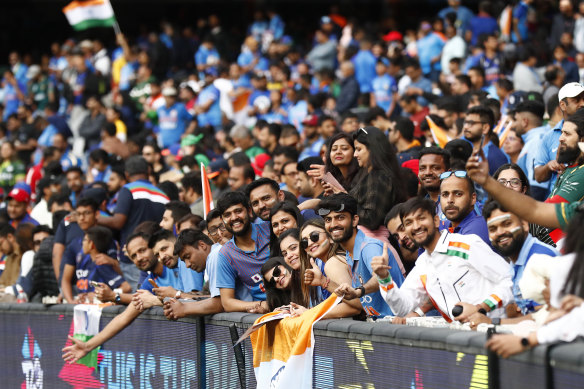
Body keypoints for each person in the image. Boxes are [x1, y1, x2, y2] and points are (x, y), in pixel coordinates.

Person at [372, 197, 513, 322]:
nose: (416, 226)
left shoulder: (467, 245)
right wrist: (384, 278)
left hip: (497, 332)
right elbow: (402, 308)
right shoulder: (422, 265)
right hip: (465, 342)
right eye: (408, 223)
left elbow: (509, 280)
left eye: (421, 218)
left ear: (436, 220)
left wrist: (481, 308)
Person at [319, 193, 405, 318]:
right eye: (328, 219)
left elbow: (380, 277)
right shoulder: (350, 254)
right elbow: (358, 303)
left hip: (401, 325)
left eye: (340, 217)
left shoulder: (369, 247)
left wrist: (360, 291)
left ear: (354, 220)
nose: (333, 224)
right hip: (384, 326)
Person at [97, 156, 170, 290]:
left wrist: (95, 218)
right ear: (148, 171)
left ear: (126, 174)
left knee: (138, 300)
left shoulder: (128, 189)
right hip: (157, 257)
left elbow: (118, 222)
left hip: (134, 258)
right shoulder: (163, 195)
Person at [483, 200, 558, 316]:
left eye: (507, 224)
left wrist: (490, 322)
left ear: (524, 224)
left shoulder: (541, 258)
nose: (500, 232)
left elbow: (545, 318)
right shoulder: (517, 258)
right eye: (493, 229)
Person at [60, 198, 127, 304]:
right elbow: (65, 279)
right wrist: (71, 302)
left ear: (96, 214)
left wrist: (113, 299)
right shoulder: (73, 245)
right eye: (78, 214)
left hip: (103, 308)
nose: (82, 218)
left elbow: (125, 286)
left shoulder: (106, 246)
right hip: (85, 305)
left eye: (86, 213)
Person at [215, 191, 270, 312]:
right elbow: (227, 302)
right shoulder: (226, 254)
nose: (234, 218)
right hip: (267, 315)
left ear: (249, 211)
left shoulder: (269, 229)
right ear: (222, 220)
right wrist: (261, 305)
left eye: (238, 211)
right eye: (227, 214)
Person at [350, 126, 405, 236]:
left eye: (359, 149)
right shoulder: (369, 174)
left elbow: (371, 219)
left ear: (373, 149)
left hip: (377, 243)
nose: (355, 154)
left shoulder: (379, 177)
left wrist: (345, 201)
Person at [163, 229, 225, 320]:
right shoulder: (217, 253)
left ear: (202, 245)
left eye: (188, 257)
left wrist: (183, 308)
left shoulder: (215, 256)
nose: (187, 265)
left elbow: (220, 303)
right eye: (184, 261)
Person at [439, 170, 490, 246]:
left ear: (473, 198)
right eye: (445, 195)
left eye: (458, 194)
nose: (450, 200)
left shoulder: (477, 227)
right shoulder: (446, 224)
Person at [513, 101, 549, 200]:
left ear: (525, 121)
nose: (513, 124)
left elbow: (537, 187)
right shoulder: (536, 139)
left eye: (515, 120)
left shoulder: (537, 142)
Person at [462, 105, 508, 176]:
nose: (465, 127)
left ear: (485, 128)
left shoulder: (495, 157)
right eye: (465, 122)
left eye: (471, 123)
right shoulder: (472, 152)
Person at [384, 204, 418, 275]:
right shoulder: (419, 266)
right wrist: (384, 277)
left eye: (402, 228)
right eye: (396, 236)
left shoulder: (445, 242)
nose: (401, 237)